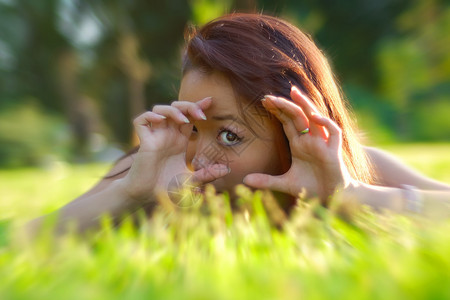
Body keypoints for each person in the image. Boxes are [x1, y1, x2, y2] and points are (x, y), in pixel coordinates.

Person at [28, 13, 450, 234]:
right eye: (192, 125)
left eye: (230, 134)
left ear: (293, 133)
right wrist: (129, 193)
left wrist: (350, 194)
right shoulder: (154, 171)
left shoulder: (351, 168)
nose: (199, 155)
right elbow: (27, 241)